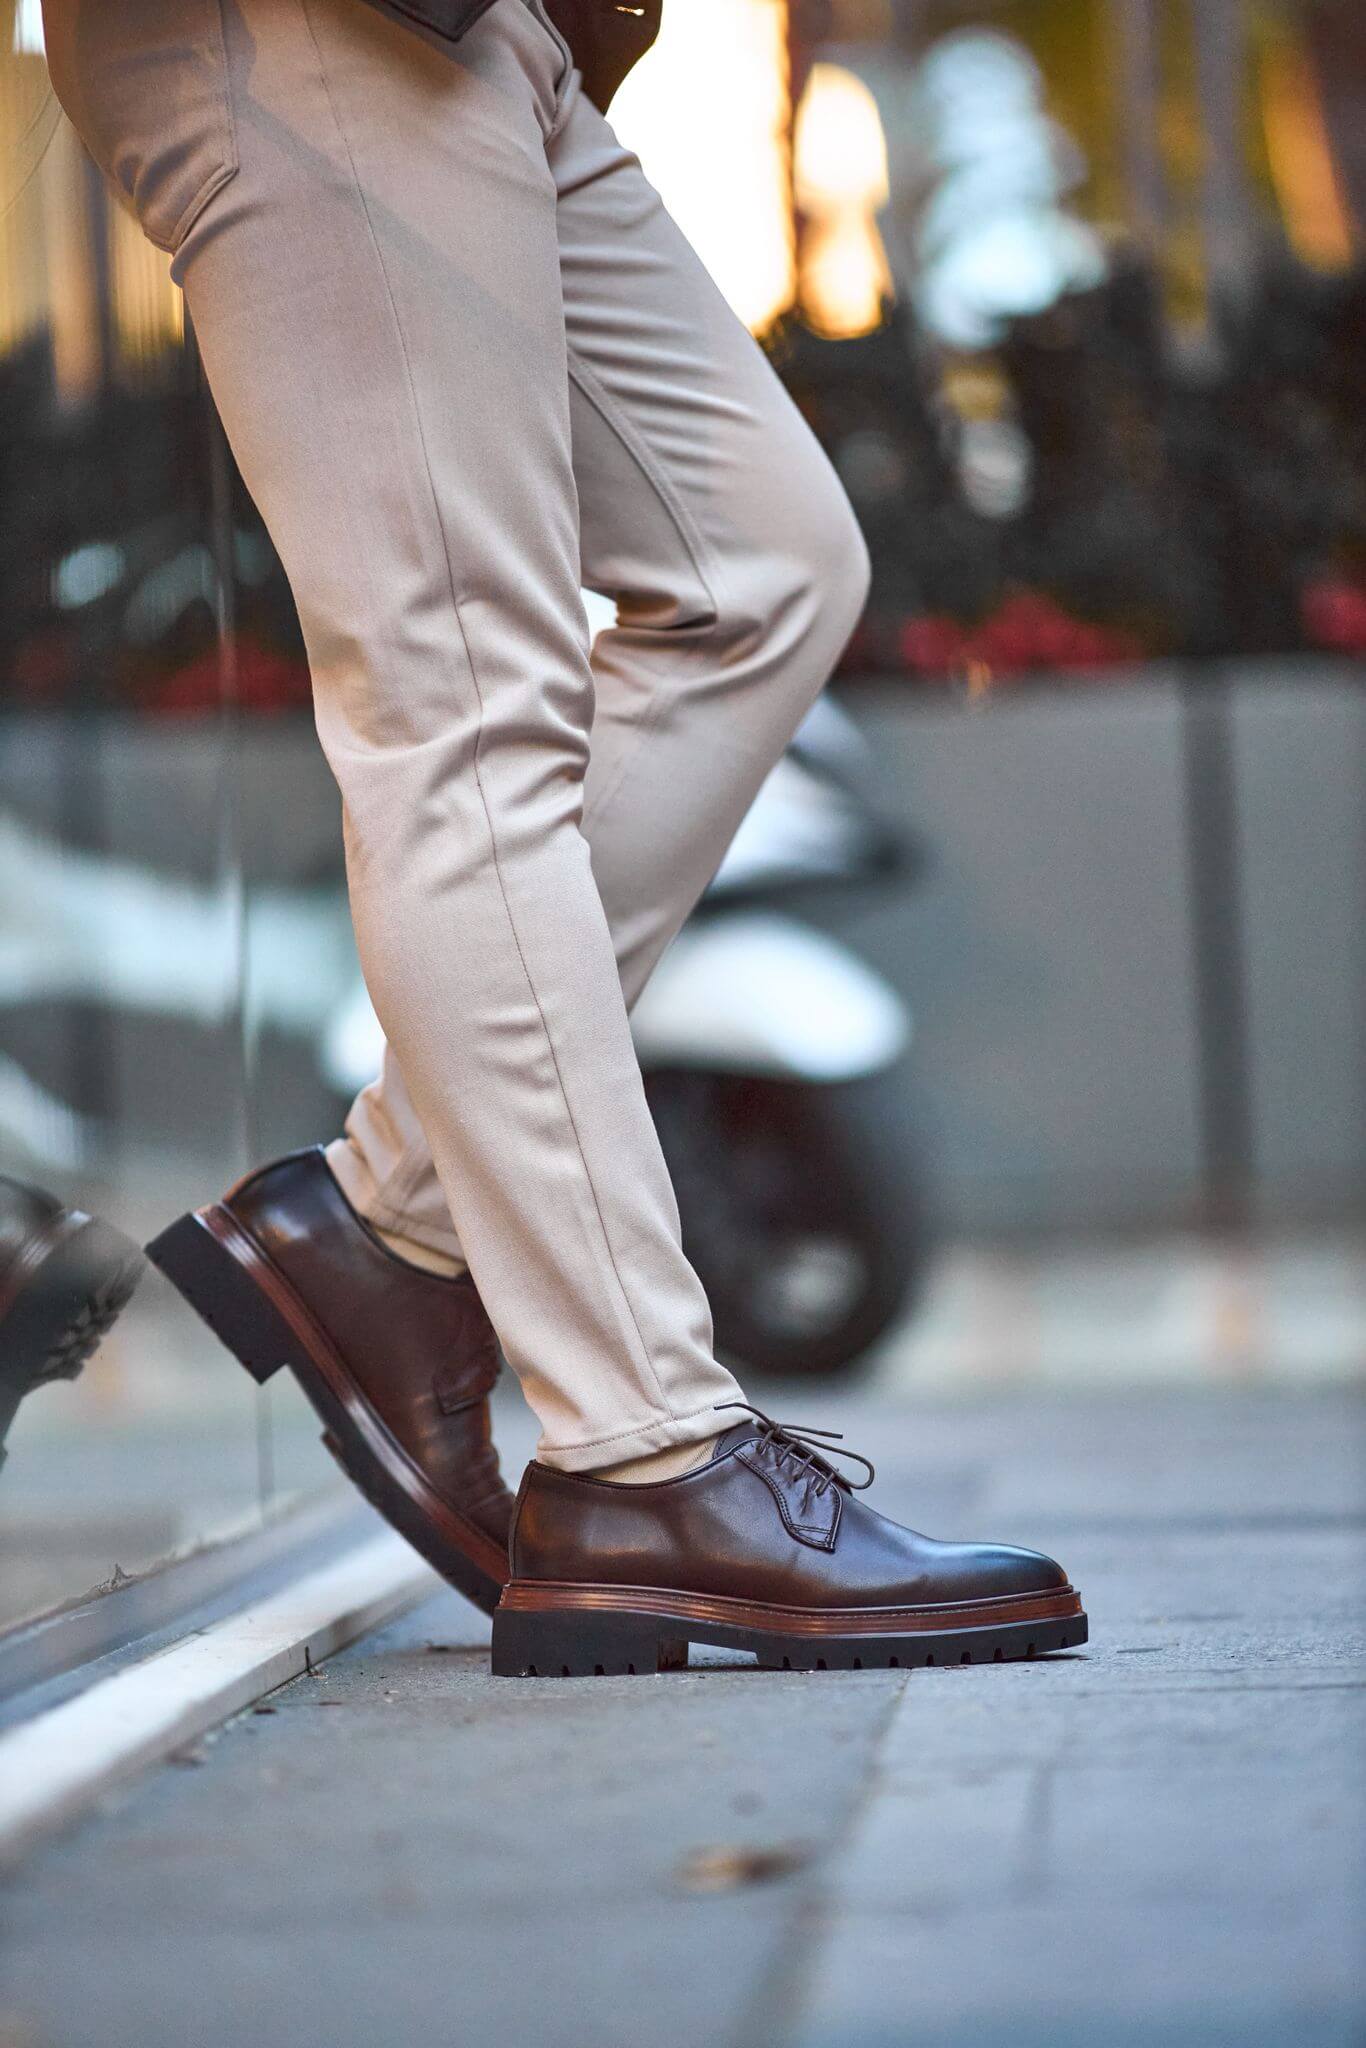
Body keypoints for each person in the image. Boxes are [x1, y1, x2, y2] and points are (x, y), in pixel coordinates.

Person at [41, 0, 1085, 1675]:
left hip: (494, 34)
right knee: (468, 706)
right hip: (308, 27)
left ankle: (388, 1222)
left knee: (763, 573)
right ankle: (643, 1453)